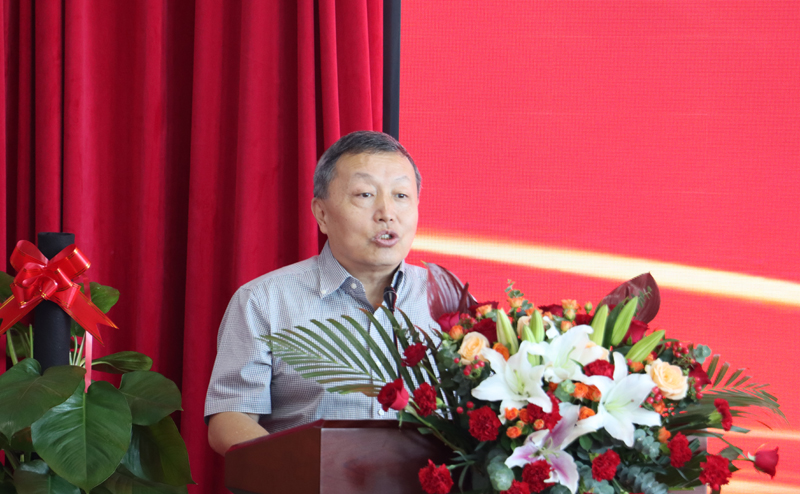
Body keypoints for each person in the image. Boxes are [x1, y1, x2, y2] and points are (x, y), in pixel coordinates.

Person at [205, 131, 439, 455]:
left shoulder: (448, 304)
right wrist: (303, 473)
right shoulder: (263, 301)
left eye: (401, 195)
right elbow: (230, 417)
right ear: (322, 214)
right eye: (365, 194)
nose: (387, 212)